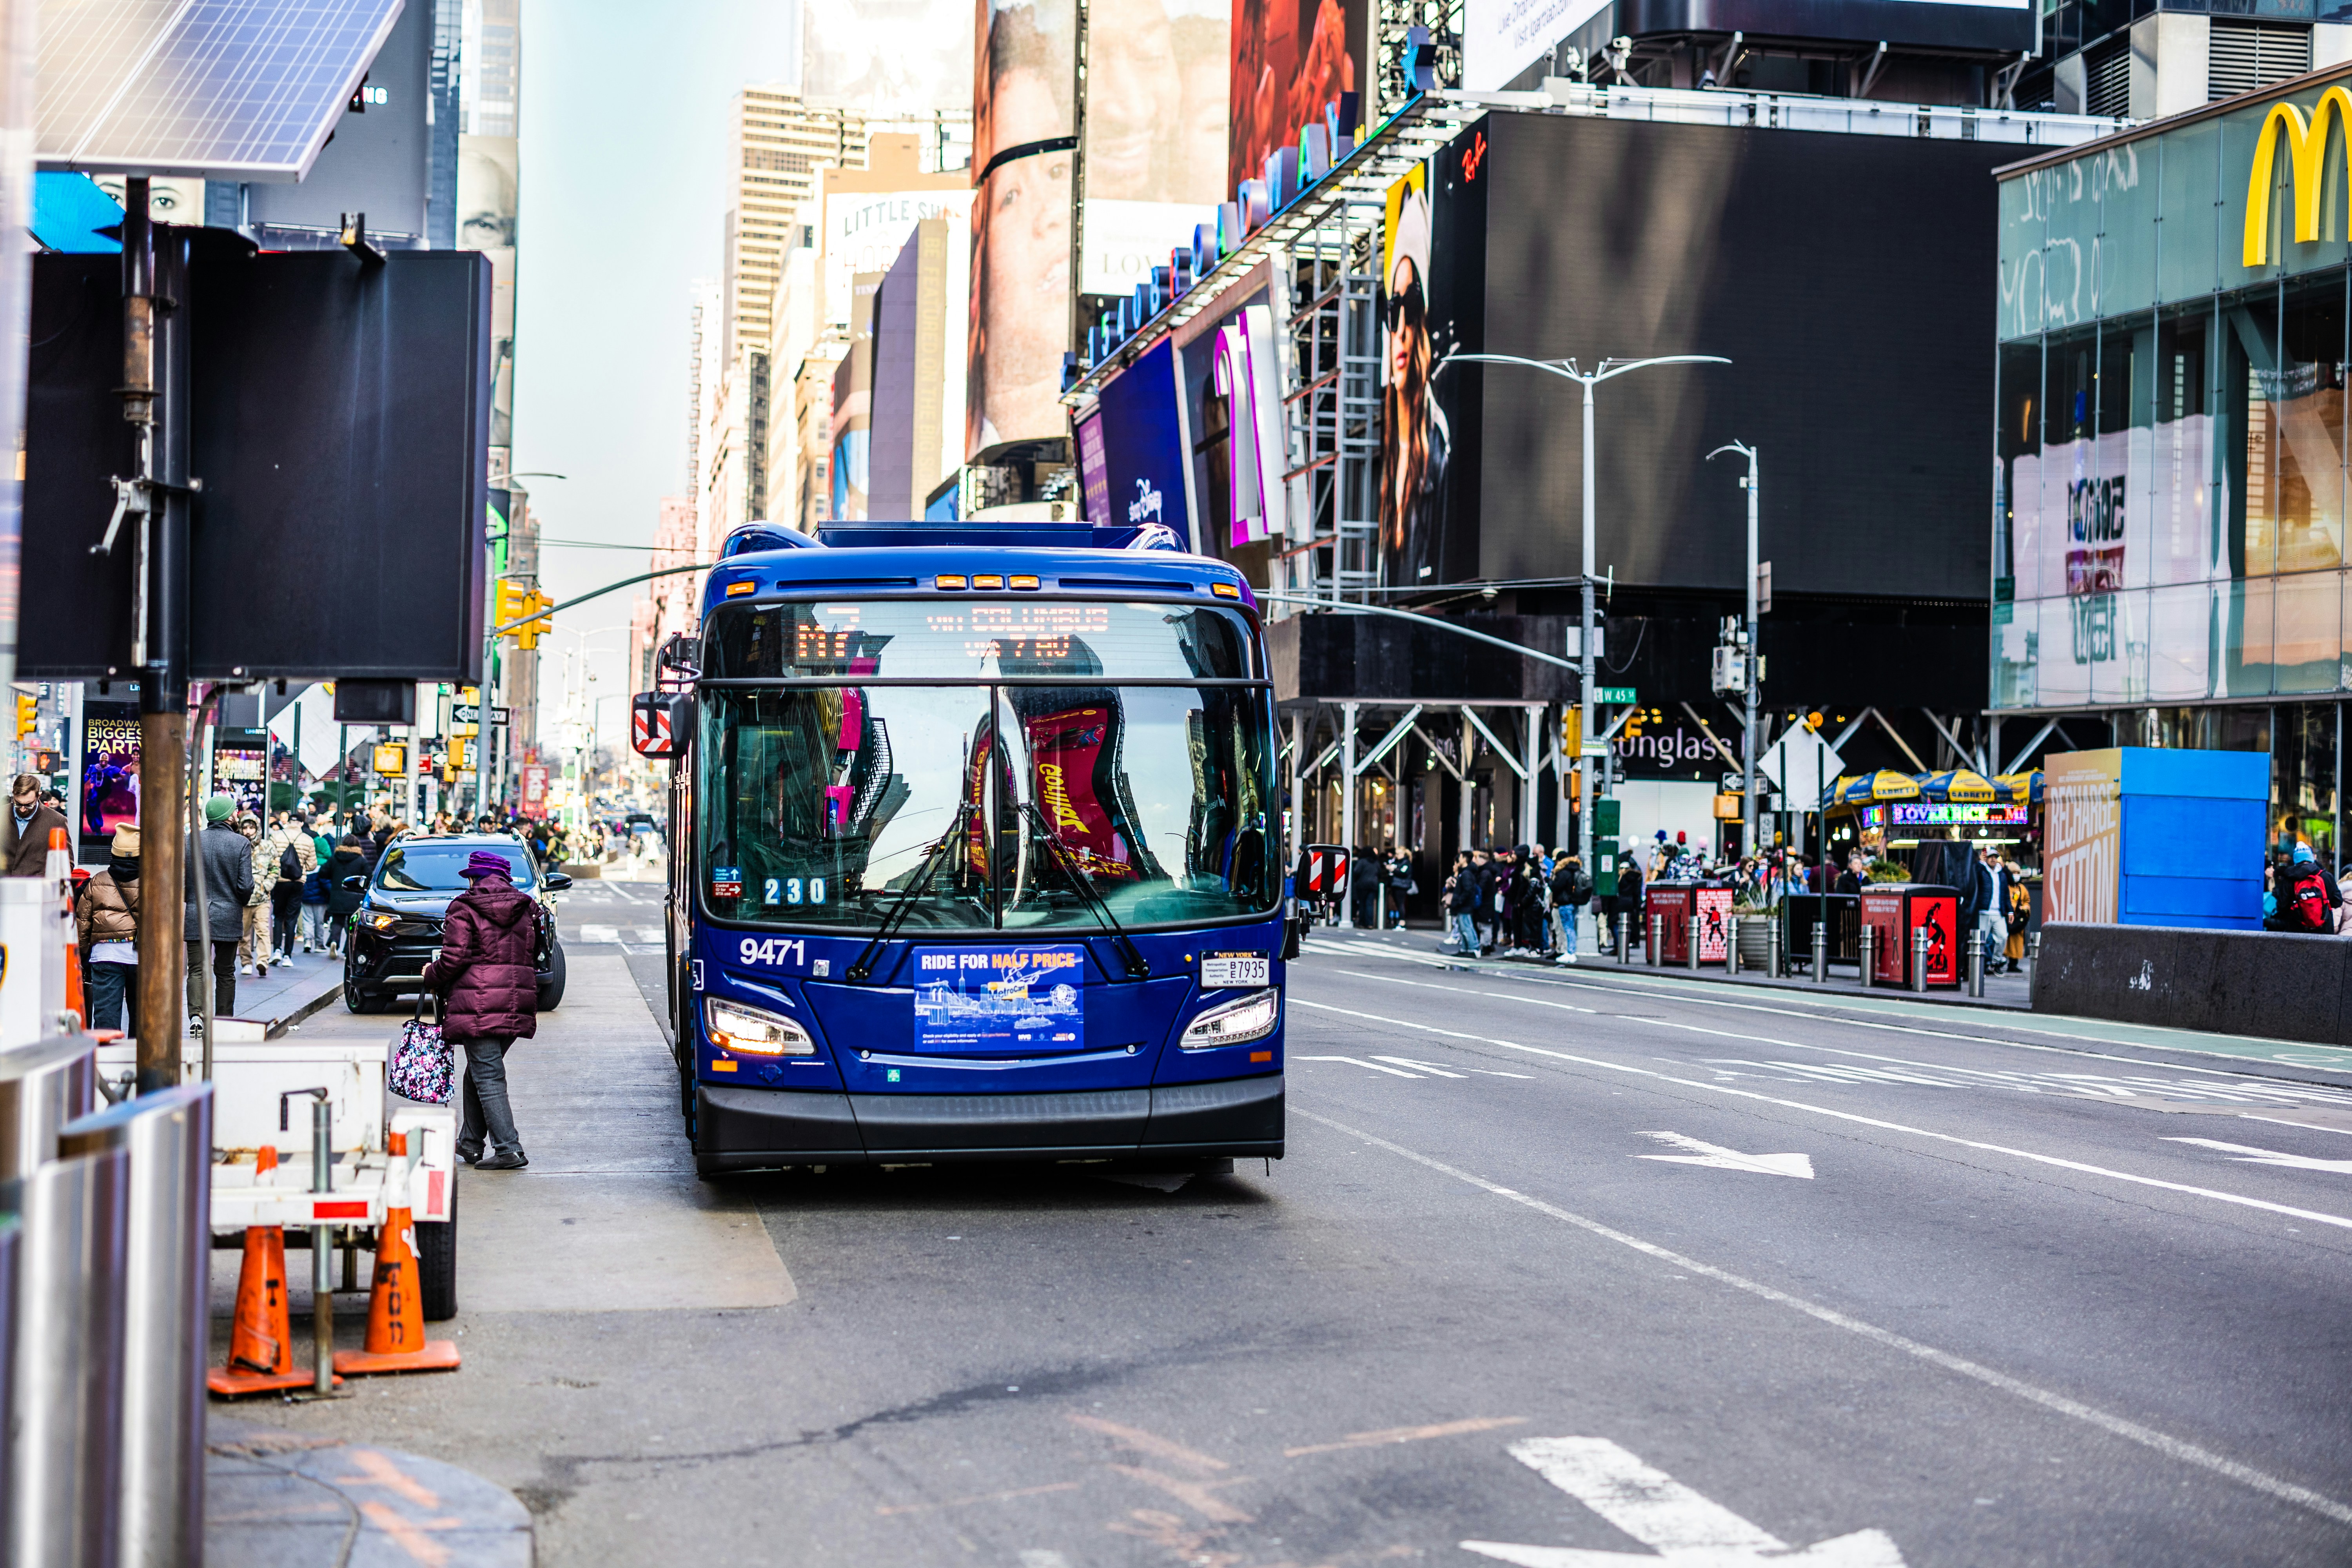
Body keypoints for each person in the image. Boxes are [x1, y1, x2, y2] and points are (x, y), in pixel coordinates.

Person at [422, 850, 541, 1171]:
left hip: (479, 1004)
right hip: (517, 1003)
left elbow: (452, 960)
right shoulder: (526, 907)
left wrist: (429, 974)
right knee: (479, 1070)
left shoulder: (464, 908)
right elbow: (538, 952)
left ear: (477, 877)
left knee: (487, 1075)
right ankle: (471, 1143)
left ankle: (508, 1149)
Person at [186, 794, 254, 1029]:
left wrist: (192, 900)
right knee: (225, 972)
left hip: (196, 914)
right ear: (228, 816)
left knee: (196, 969)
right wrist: (239, 901)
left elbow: (183, 881)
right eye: (234, 812)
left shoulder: (190, 841)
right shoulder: (241, 843)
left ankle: (197, 1016)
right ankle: (224, 1022)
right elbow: (246, 886)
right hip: (228, 915)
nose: (237, 815)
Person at [76, 824, 140, 1032]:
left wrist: (84, 954)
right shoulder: (155, 881)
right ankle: (139, 1062)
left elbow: (83, 922)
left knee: (106, 1021)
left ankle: (106, 1061)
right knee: (143, 1022)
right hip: (144, 959)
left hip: (106, 957)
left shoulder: (98, 881)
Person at [5, 772, 68, 877]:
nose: (23, 809)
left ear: (39, 796)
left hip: (38, 889)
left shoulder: (57, 821)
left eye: (29, 805)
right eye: (18, 803)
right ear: (13, 794)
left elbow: (65, 863)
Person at [322, 835, 369, 954]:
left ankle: (334, 941)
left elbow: (323, 873)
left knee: (337, 921)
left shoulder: (335, 858)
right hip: (355, 896)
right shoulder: (361, 860)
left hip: (337, 896)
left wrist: (333, 882)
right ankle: (348, 950)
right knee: (352, 924)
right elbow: (369, 877)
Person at [1550, 854, 1589, 963]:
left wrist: (1550, 882)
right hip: (1573, 903)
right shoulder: (1576, 871)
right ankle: (1571, 952)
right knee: (1571, 929)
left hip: (1564, 903)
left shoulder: (1564, 873)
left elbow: (1556, 887)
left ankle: (1570, 953)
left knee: (1568, 929)